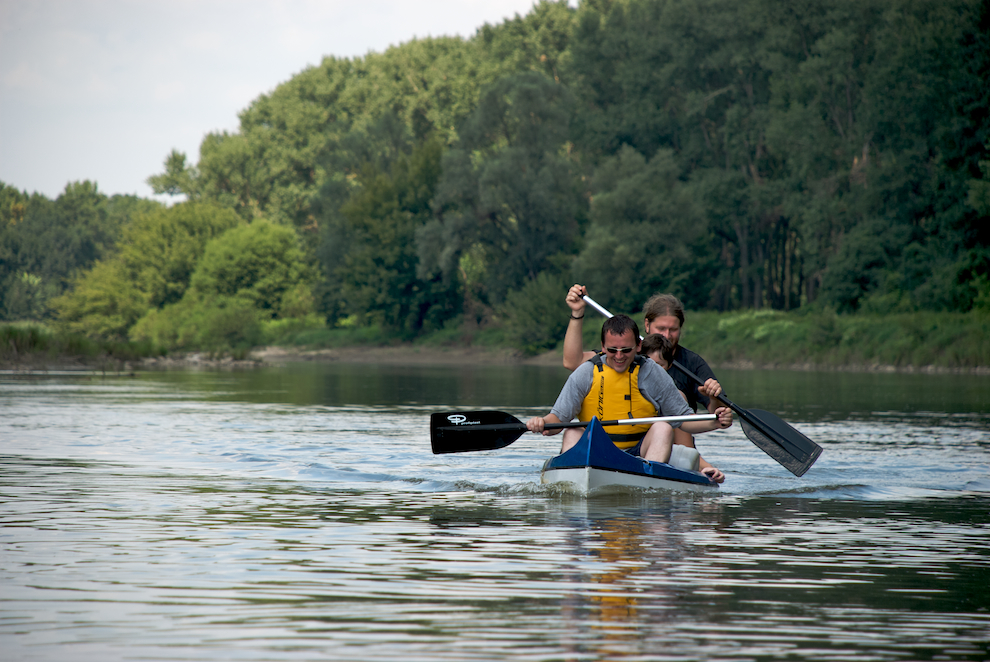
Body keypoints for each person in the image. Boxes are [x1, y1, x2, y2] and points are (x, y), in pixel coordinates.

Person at [527, 315, 731, 482]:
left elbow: (684, 420)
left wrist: (716, 421)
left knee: (663, 427)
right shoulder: (585, 372)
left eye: (626, 350)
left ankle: (649, 482)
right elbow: (557, 420)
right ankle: (573, 482)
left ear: (638, 345)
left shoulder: (652, 372)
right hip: (595, 450)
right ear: (602, 346)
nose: (619, 356)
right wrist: (542, 423)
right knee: (572, 431)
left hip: (639, 452)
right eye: (612, 350)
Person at [563, 284, 719, 413]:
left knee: (680, 398)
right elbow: (572, 362)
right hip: (633, 433)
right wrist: (577, 312)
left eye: (673, 329)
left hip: (673, 435)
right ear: (647, 325)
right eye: (661, 328)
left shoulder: (692, 362)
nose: (666, 335)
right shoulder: (626, 353)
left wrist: (714, 398)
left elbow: (718, 413)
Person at [640, 333, 725, 483]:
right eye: (648, 364)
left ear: (669, 366)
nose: (652, 371)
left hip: (662, 454)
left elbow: (686, 450)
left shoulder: (675, 397)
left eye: (658, 366)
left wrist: (708, 469)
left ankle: (649, 478)